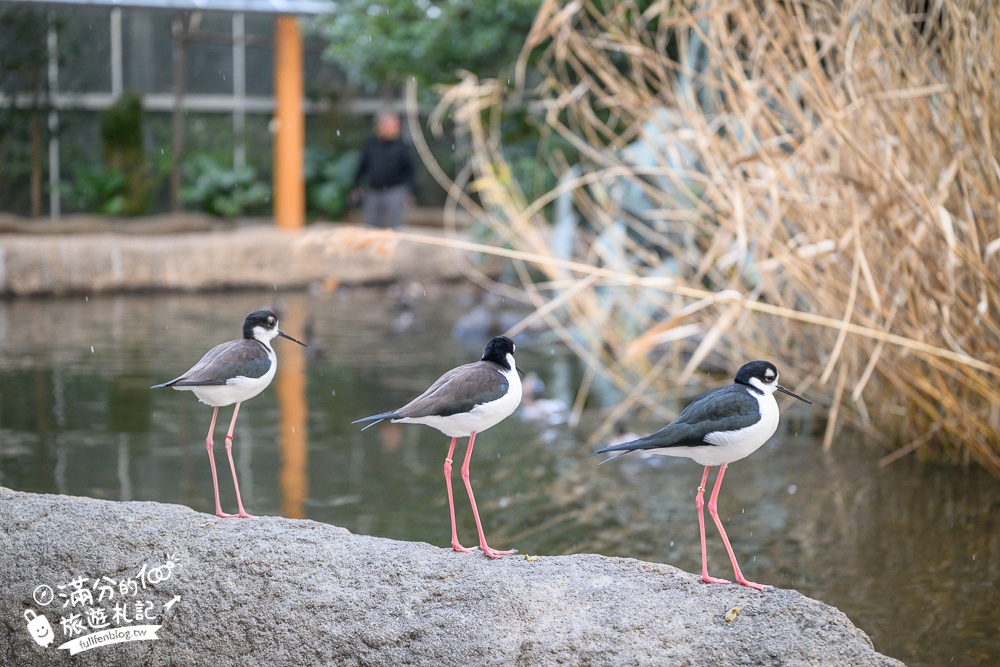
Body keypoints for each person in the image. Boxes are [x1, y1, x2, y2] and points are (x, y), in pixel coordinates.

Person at [349, 111, 416, 229]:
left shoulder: (402, 146)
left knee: (395, 227)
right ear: (380, 126)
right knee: (371, 228)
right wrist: (356, 186)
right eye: (387, 125)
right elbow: (362, 165)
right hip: (373, 192)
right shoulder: (371, 144)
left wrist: (410, 191)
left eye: (394, 126)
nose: (390, 129)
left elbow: (410, 171)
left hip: (394, 192)